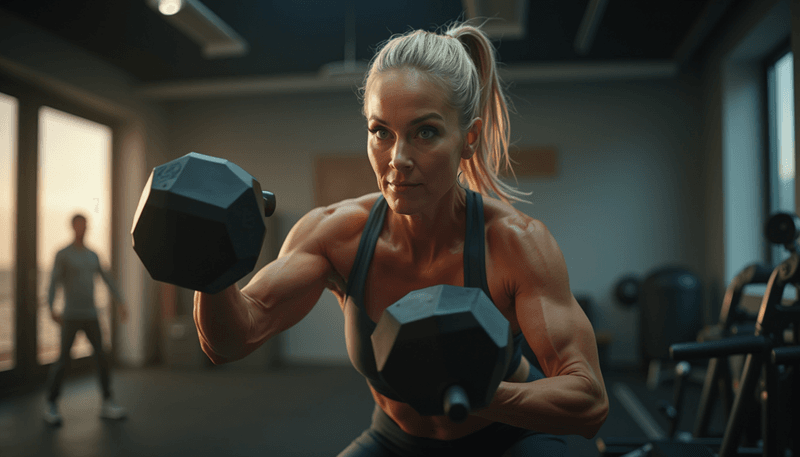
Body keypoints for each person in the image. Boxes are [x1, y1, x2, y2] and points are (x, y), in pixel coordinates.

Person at [194, 22, 608, 456]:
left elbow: (589, 402)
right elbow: (230, 340)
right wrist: (211, 264)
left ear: (468, 139)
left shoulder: (515, 244)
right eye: (381, 132)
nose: (398, 159)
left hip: (509, 435)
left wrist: (473, 395)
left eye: (425, 132)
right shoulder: (335, 234)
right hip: (395, 439)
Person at [43, 213, 129, 426]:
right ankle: (51, 405)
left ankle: (108, 402)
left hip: (91, 316)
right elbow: (54, 282)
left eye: (85, 225)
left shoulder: (93, 255)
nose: (83, 228)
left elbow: (108, 279)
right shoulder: (63, 255)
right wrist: (50, 307)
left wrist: (120, 302)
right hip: (71, 316)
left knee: (102, 357)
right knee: (62, 360)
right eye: (79, 225)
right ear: (73, 227)